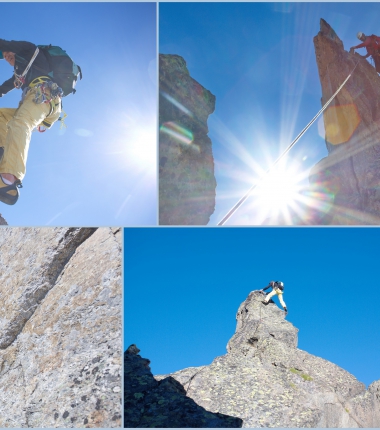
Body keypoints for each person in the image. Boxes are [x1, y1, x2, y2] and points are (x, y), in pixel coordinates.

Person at [0, 39, 63, 205]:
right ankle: (2, 151)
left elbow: (5, 43)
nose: (6, 57)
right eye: (4, 57)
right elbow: (4, 88)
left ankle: (9, 179)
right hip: (33, 100)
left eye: (8, 53)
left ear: (15, 50)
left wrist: (5, 47)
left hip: (46, 96)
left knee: (20, 123)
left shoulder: (29, 50)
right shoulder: (19, 74)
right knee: (1, 115)